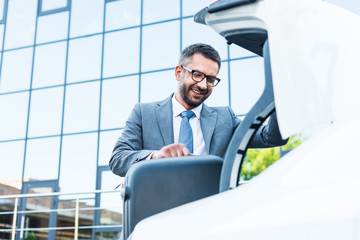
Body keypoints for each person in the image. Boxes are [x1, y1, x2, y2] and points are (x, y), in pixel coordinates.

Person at [109, 43, 287, 177]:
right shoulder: (144, 113)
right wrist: (155, 156)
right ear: (179, 73)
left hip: (209, 213)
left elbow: (270, 137)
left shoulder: (225, 117)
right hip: (158, 211)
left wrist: (280, 89)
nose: (203, 85)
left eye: (210, 79)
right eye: (197, 74)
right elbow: (118, 159)